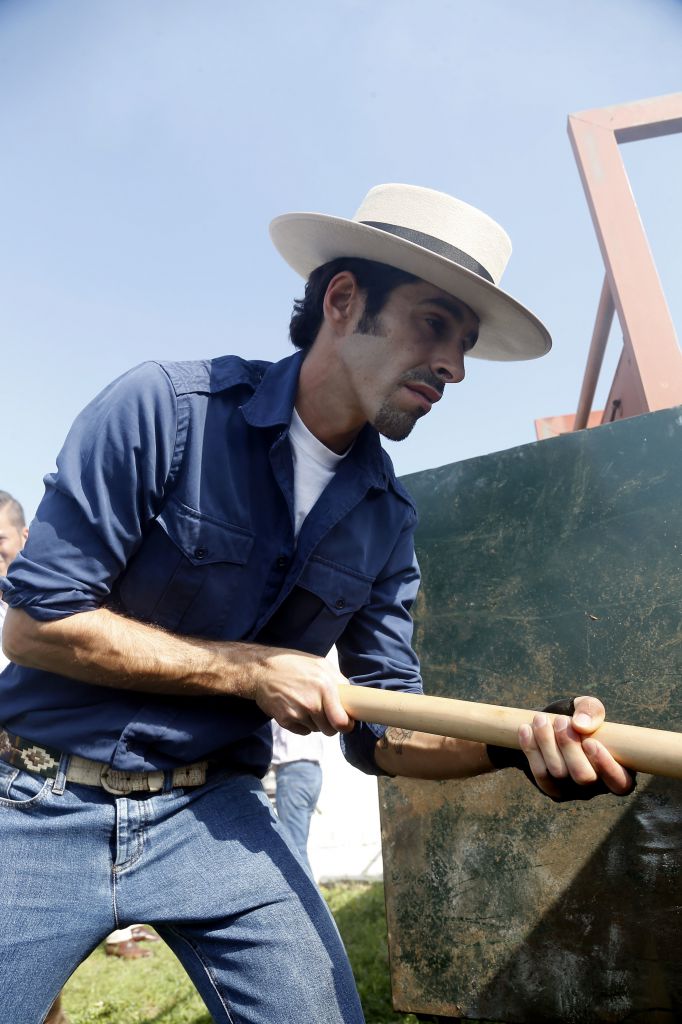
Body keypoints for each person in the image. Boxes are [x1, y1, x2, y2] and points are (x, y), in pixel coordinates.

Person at [0, 184, 634, 1024]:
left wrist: (520, 745)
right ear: (343, 301)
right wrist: (251, 671)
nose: (454, 366)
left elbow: (384, 730)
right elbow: (36, 622)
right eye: (434, 323)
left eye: (465, 343)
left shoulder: (386, 518)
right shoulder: (164, 409)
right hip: (39, 796)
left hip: (212, 811)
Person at [270, 722, 324, 875]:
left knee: (295, 847)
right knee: (299, 845)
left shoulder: (278, 703)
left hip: (292, 771)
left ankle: (307, 899)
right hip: (313, 771)